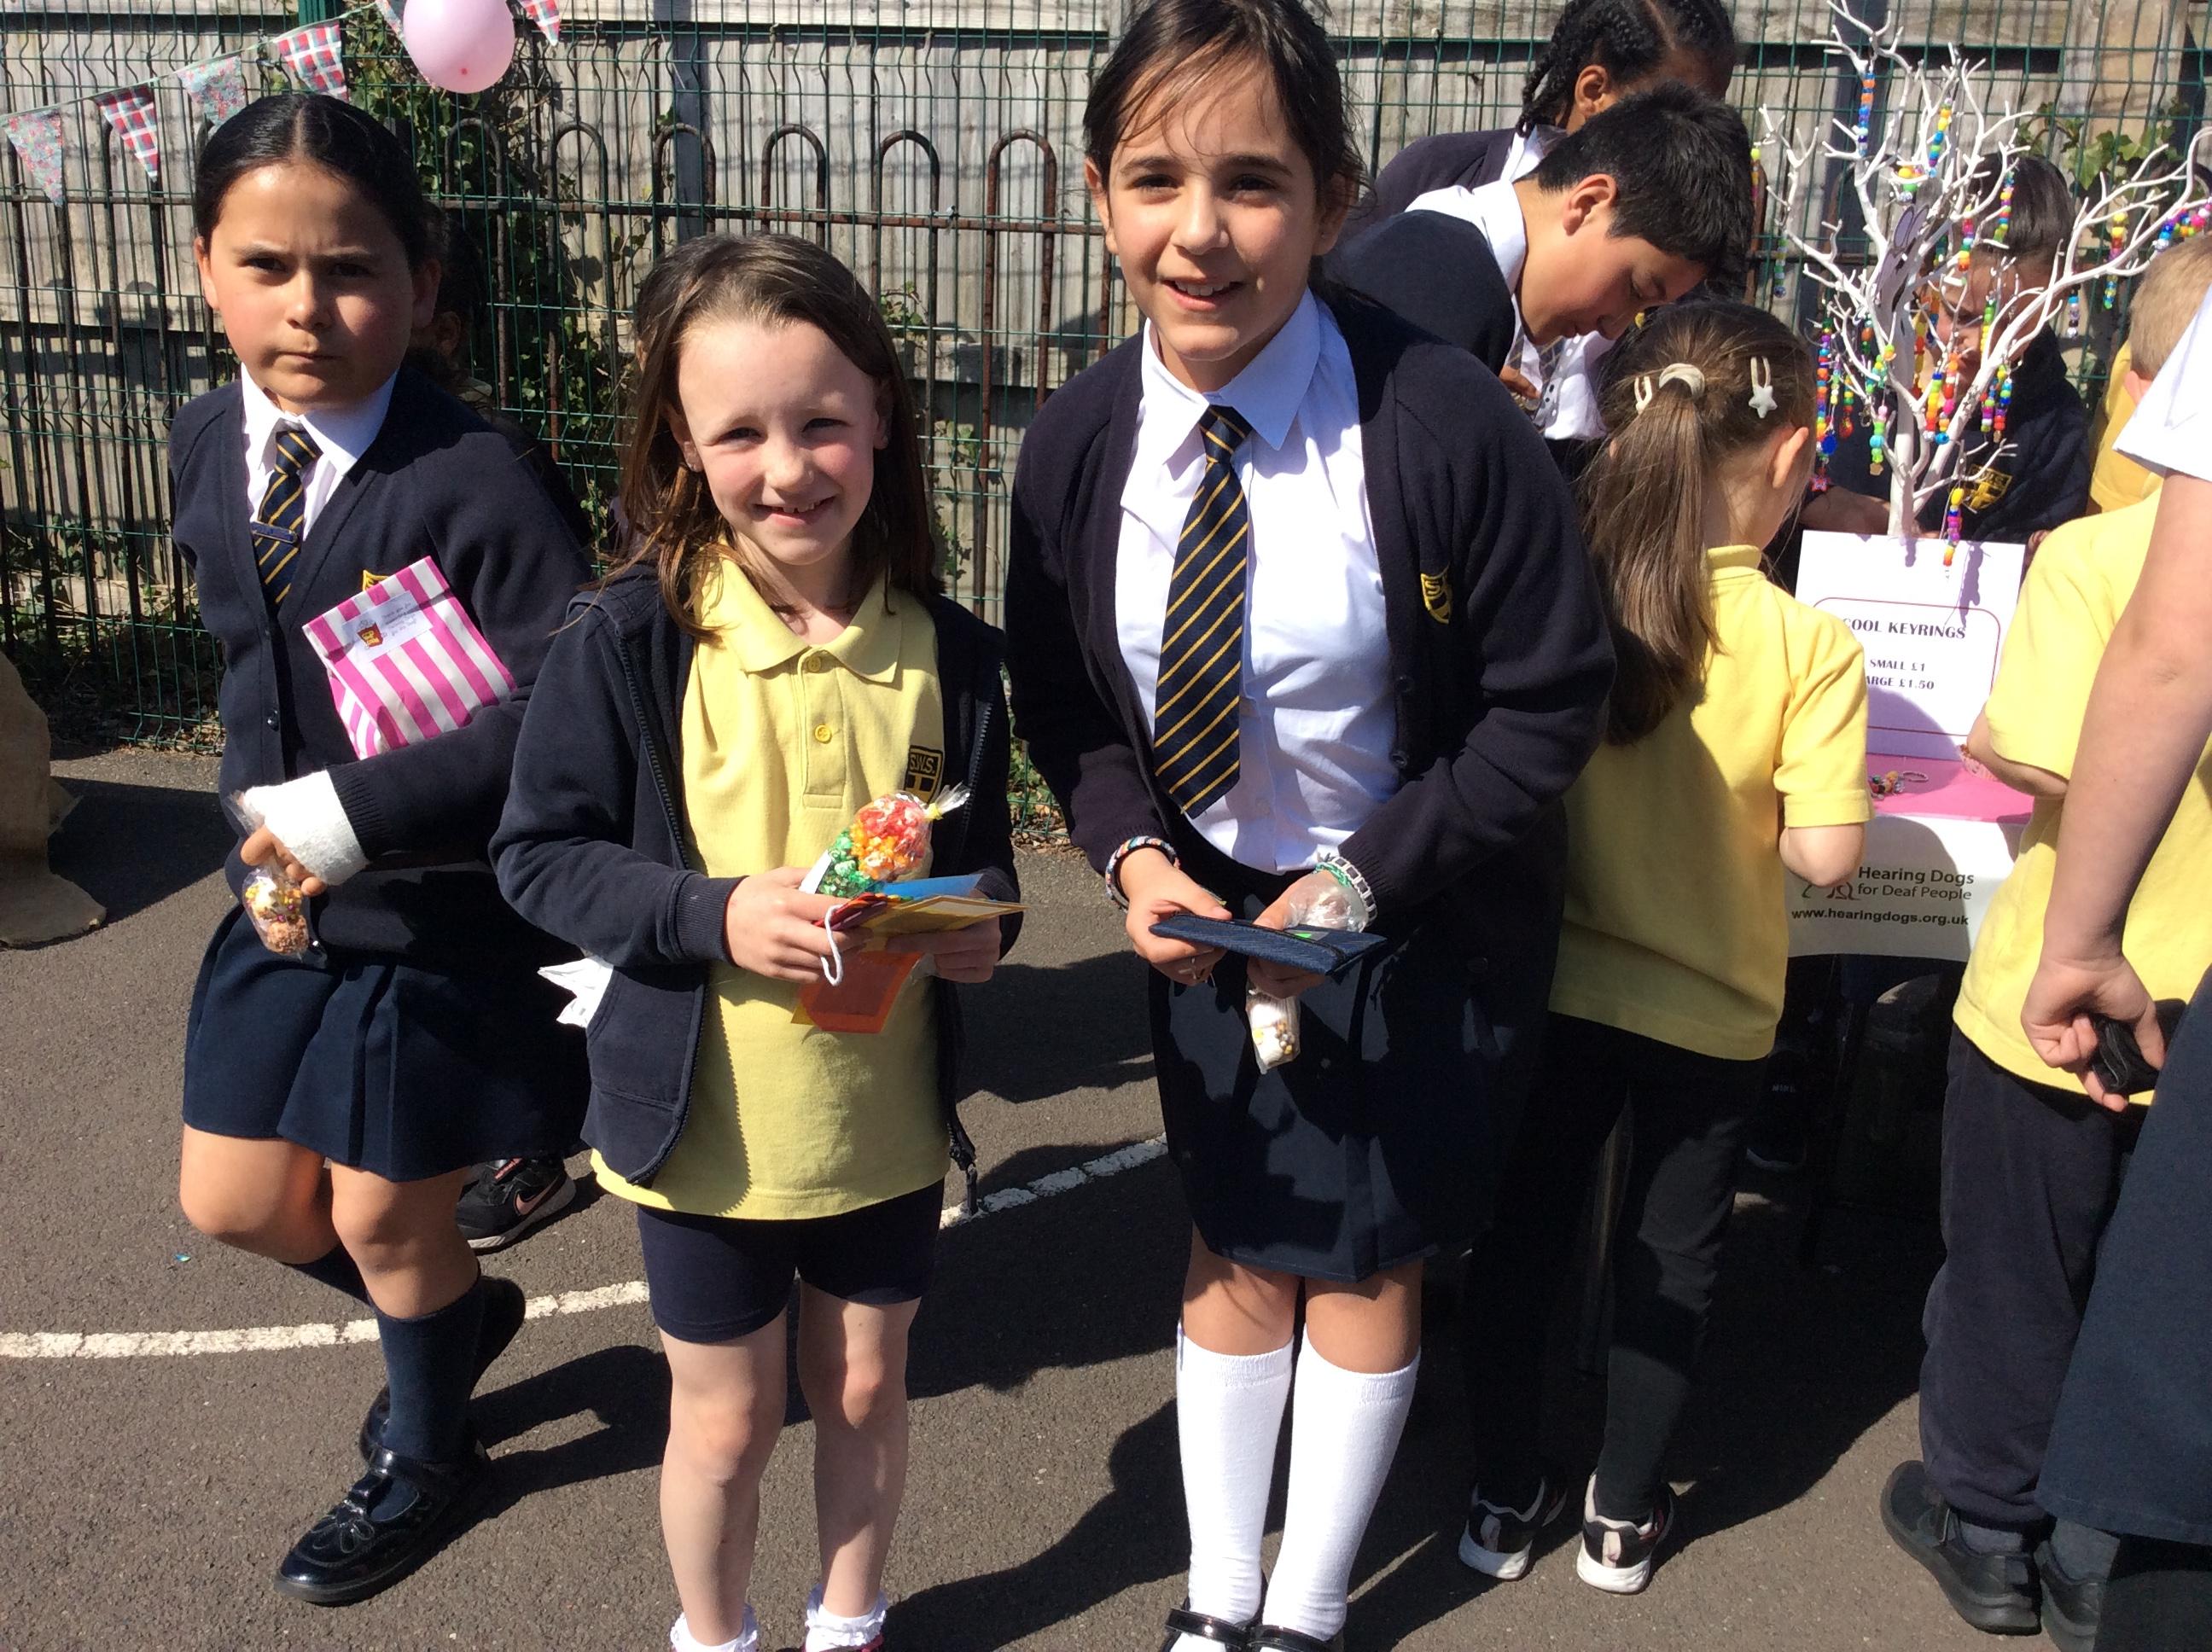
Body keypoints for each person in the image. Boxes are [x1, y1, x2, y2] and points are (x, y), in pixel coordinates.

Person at [1004, 1, 1617, 1644]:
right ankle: (1217, 1601)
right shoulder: (1074, 445)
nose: (1198, 231)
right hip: (1207, 918)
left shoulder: (1443, 423)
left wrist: (1359, 882)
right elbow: (1061, 699)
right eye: (1155, 178)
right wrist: (1133, 853)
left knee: (1361, 1256)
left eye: (1254, 182)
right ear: (1097, 193)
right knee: (1231, 1233)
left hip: (1414, 908)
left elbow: (1545, 703)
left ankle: (1308, 1608)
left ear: (1334, 200)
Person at [492, 230, 1018, 1652]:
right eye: (739, 433)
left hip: (879, 1131)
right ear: (681, 442)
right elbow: (537, 856)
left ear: (881, 416)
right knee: (723, 1421)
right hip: (704, 1138)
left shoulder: (954, 655)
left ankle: (849, 1621)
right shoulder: (628, 642)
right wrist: (712, 911)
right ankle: (712, 1634)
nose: (787, 468)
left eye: (821, 422)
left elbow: (975, 859)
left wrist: (981, 927)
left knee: (865, 1389)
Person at [170, 92, 590, 1603]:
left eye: (350, 270)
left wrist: (349, 818)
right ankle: (453, 1320)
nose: (307, 306)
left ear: (421, 281)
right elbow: (252, 666)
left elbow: (559, 711)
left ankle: (428, 1452)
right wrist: (264, 833)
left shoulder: (476, 473)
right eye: (265, 265)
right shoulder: (205, 435)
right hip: (286, 903)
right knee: (231, 1201)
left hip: (444, 923)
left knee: (384, 1212)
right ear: (205, 267)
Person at [1456, 303, 1870, 1595]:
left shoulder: (1564, 598)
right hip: (1716, 1011)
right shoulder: (1810, 644)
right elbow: (1827, 858)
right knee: (1673, 1254)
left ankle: (1499, 1495)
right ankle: (1622, 1512)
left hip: (1558, 983)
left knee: (1523, 1232)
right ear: (1793, 458)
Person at [1877, 233, 2212, 1652]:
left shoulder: (2093, 559)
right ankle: (2104, 1549)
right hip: (2193, 998)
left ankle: (1989, 1525)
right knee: (2160, 1289)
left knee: (2015, 1270)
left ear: (2138, 389)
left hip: (2058, 991)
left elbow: (2040, 748)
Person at [2007, 284, 2212, 1649]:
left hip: (2140, 967)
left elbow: (2177, 648)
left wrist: (2080, 940)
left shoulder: (2093, 556)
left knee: (2179, 1437)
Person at [407, 209, 593, 1251]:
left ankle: (531, 1146)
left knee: (527, 934)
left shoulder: (489, 456)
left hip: (504, 752)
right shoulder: (325, 451)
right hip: (407, 769)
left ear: (440, 319)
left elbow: (565, 611)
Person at [1336, 0, 1736, 462]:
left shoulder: (1675, 257)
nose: (1614, 324)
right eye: (1668, 113)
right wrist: (1451, 378)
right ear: (1594, 89)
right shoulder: (1439, 180)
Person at [1795, 155, 2090, 561]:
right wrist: (1821, 501)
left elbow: (2034, 561)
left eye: (2016, 322)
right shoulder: (1846, 364)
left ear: (2054, 301)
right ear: (1921, 280)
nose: (1984, 344)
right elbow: (1747, 472)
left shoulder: (2052, 424)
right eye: (1961, 314)